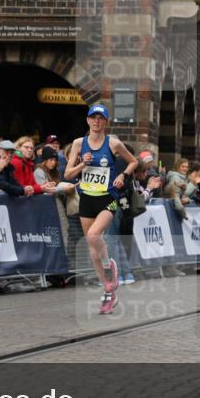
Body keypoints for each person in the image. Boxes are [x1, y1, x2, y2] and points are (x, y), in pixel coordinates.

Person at [64, 104, 137, 315]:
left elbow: (133, 162)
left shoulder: (113, 143)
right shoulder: (79, 143)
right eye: (93, 118)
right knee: (92, 246)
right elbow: (68, 174)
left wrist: (123, 175)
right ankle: (108, 291)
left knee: (95, 235)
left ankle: (110, 265)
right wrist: (81, 165)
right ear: (87, 121)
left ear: (105, 122)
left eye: (101, 118)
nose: (97, 121)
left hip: (107, 198)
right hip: (86, 198)